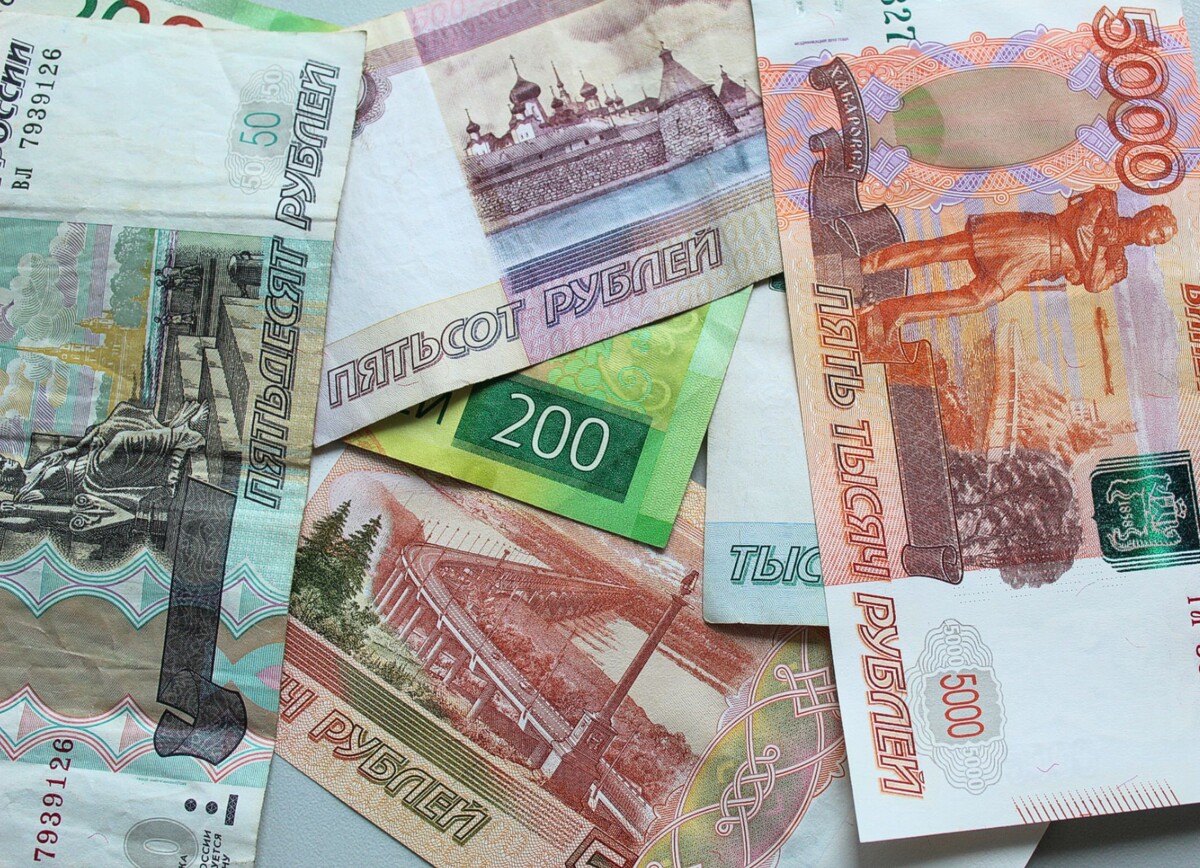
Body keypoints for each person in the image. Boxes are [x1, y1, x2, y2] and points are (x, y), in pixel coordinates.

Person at [857, 188, 1177, 349]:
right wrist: (1095, 250)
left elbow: (1094, 283)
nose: (1154, 240)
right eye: (1158, 232)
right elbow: (1078, 227)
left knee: (978, 299)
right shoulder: (1108, 200)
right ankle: (867, 264)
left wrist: (1102, 244)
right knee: (944, 248)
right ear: (1148, 217)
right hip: (1030, 233)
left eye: (1160, 240)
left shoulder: (1119, 264)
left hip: (1036, 264)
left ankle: (892, 312)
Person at [0, 401, 207, 534]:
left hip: (92, 457)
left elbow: (74, 451)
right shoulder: (26, 497)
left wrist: (94, 436)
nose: (5, 460)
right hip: (94, 481)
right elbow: (31, 521)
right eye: (1, 465)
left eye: (1, 458)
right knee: (122, 440)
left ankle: (175, 432)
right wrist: (7, 515)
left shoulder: (36, 464)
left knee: (113, 425)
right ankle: (183, 437)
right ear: (3, 481)